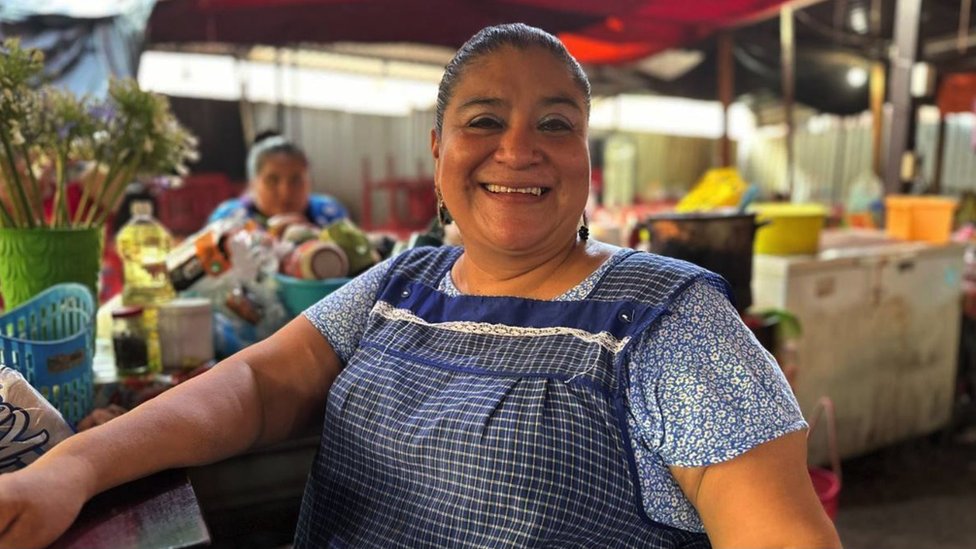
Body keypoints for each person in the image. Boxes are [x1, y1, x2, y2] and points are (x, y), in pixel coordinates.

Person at [0, 24, 840, 549]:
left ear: (585, 158)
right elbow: (258, 381)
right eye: (484, 122)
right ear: (436, 152)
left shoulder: (669, 322)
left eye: (556, 124)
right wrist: (70, 467)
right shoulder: (404, 280)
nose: (520, 148)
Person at [208, 132, 348, 227]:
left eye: (296, 180)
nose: (285, 192)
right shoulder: (229, 219)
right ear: (253, 184)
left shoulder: (329, 214)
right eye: (272, 181)